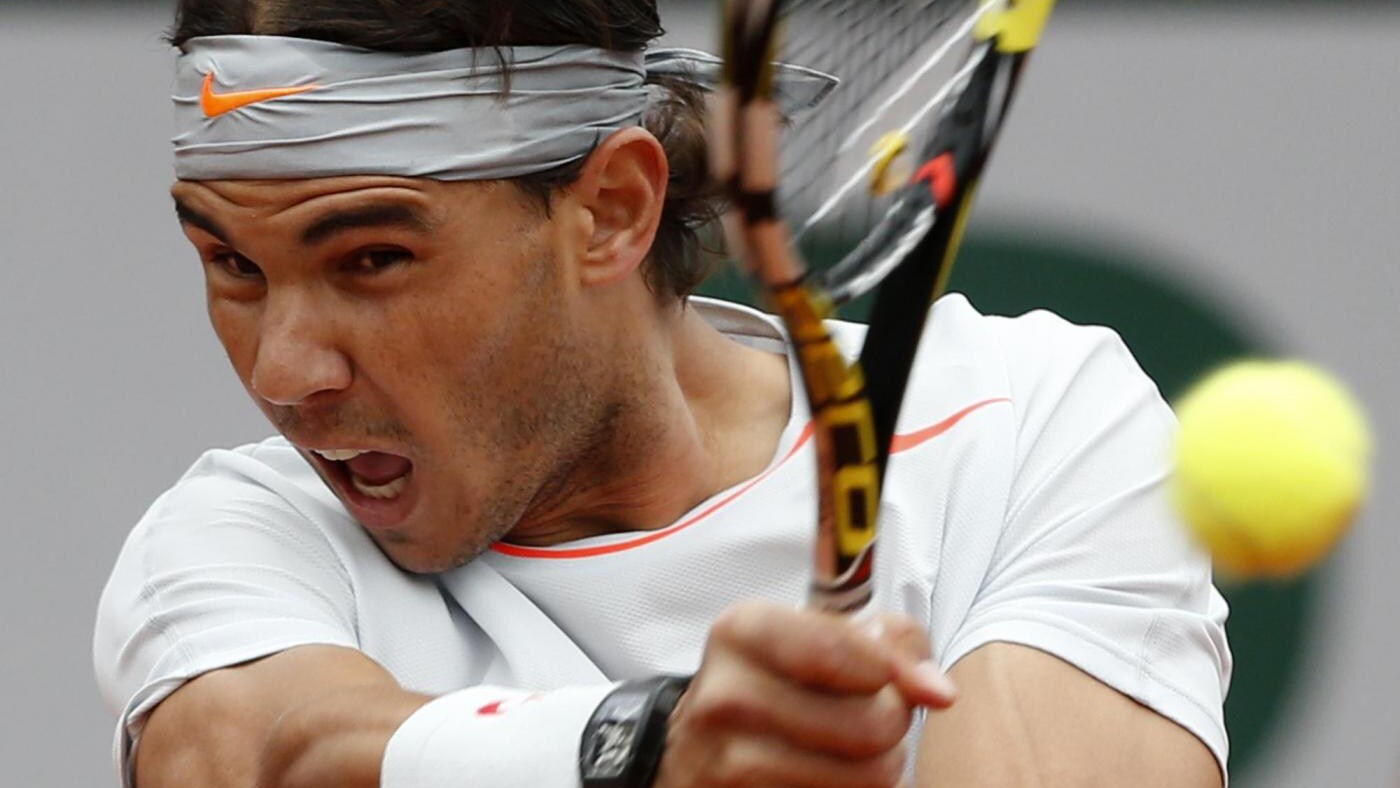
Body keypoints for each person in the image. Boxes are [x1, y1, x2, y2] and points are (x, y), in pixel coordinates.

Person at [93, 1, 1231, 786]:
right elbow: (262, 753)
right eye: (231, 265)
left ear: (612, 209)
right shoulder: (241, 535)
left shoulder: (1023, 423)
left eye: (373, 259)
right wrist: (647, 746)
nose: (286, 373)